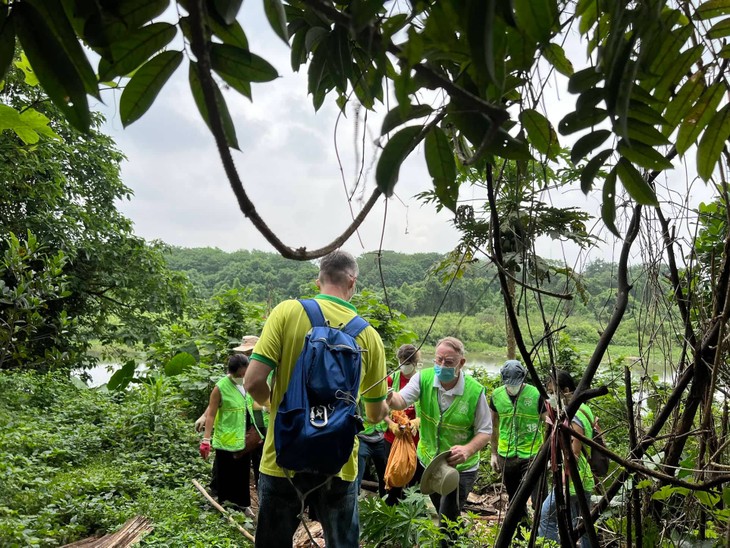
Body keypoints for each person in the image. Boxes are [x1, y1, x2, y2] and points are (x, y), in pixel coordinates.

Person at [244, 250, 389, 548]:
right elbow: (375, 416)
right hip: (339, 460)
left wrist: (273, 407)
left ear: (318, 280)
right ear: (353, 281)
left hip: (283, 454)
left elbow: (254, 381)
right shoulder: (369, 336)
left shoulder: (286, 312)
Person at [388, 337, 491, 544]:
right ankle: (464, 542)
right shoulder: (424, 379)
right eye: (439, 360)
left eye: (449, 362)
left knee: (446, 520)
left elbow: (485, 431)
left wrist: (468, 450)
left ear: (461, 363)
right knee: (447, 515)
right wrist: (389, 397)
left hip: (459, 468)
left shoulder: (474, 391)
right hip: (430, 462)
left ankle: (449, 543)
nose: (442, 366)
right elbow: (402, 399)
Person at [538, 369, 595, 548]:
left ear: (567, 390)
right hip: (585, 479)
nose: (551, 396)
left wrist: (563, 479)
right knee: (582, 525)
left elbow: (574, 454)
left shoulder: (575, 414)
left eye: (554, 392)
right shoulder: (584, 409)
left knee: (546, 517)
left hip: (571, 480)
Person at [489, 359, 545, 527]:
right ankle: (522, 534)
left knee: (539, 498)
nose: (512, 387)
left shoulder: (536, 394)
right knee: (515, 500)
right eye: (509, 384)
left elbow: (548, 422)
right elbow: (493, 425)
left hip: (533, 453)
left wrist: (547, 453)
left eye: (516, 383)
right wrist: (493, 453)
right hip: (506, 455)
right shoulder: (497, 396)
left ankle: (542, 534)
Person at [199, 353, 255, 510]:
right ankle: (225, 508)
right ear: (231, 372)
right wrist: (206, 439)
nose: (243, 377)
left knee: (242, 474)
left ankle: (243, 506)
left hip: (244, 438)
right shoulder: (220, 387)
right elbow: (211, 414)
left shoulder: (248, 384)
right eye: (239, 375)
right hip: (225, 439)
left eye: (245, 373)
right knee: (226, 475)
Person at [384, 343, 422, 505]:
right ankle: (391, 513)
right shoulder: (392, 379)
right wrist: (391, 424)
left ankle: (412, 515)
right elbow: (381, 408)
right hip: (394, 439)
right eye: (402, 363)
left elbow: (430, 410)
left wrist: (418, 421)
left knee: (415, 484)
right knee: (394, 479)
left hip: (416, 441)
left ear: (415, 363)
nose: (404, 367)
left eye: (407, 363)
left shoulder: (422, 380)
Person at [356, 408, 388, 497]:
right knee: (357, 475)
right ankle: (355, 503)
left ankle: (385, 505)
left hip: (381, 437)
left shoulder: (388, 393)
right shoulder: (359, 393)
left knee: (385, 476)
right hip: (362, 437)